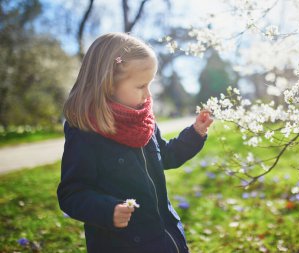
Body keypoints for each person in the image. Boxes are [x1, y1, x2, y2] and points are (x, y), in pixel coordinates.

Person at [56, 32, 213, 253]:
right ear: (109, 85)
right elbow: (72, 192)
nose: (148, 94)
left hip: (164, 235)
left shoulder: (143, 120)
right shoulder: (86, 132)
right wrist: (107, 210)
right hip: (121, 243)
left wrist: (195, 133)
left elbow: (165, 155)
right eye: (141, 86)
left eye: (150, 84)